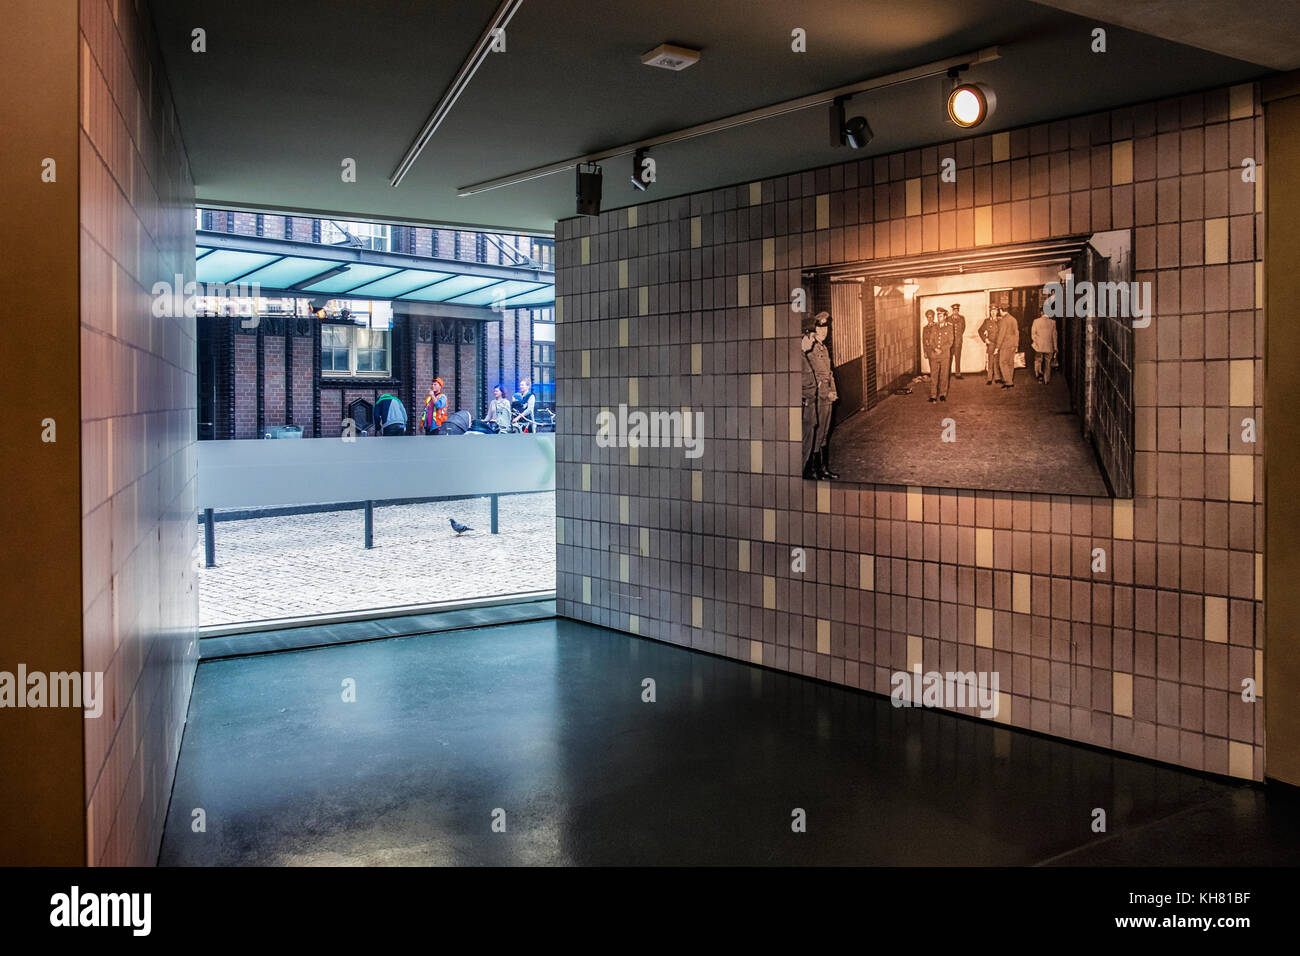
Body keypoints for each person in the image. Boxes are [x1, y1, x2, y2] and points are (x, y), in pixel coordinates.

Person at [801, 311, 838, 479]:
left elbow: (829, 373)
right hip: (820, 397)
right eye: (820, 330)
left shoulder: (823, 348)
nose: (824, 332)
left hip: (828, 395)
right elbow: (816, 376)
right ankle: (814, 469)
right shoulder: (811, 349)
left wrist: (834, 391)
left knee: (824, 432)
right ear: (814, 331)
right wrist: (827, 392)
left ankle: (823, 468)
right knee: (818, 433)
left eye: (826, 329)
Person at [922, 307, 954, 403]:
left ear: (945, 317)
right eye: (938, 316)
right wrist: (935, 348)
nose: (938, 317)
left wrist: (941, 349)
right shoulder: (934, 327)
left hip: (944, 355)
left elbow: (950, 341)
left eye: (940, 316)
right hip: (934, 355)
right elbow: (931, 340)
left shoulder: (949, 327)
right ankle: (933, 395)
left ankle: (942, 394)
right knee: (934, 375)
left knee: (944, 375)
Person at [1030, 311, 1058, 384]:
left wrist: (1036, 342)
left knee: (1038, 360)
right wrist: (1055, 347)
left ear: (1041, 312)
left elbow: (1033, 334)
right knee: (1047, 363)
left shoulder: (1036, 321)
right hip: (1049, 346)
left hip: (1039, 346)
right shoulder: (1053, 322)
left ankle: (1039, 375)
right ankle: (1046, 380)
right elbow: (1054, 336)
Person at [996, 306, 1020, 388]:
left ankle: (1008, 382)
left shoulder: (1004, 320)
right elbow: (1017, 332)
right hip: (1013, 345)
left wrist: (997, 347)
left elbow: (1001, 334)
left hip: (1005, 345)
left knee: (1002, 363)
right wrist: (1016, 344)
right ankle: (1010, 380)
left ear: (1001, 310)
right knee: (1010, 363)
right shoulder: (1013, 319)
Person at [979, 308, 1001, 385]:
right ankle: (989, 378)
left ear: (997, 311)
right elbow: (980, 330)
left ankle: (998, 378)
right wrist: (985, 339)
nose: (993, 313)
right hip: (991, 344)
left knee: (997, 361)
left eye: (995, 311)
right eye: (992, 311)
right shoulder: (987, 321)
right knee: (991, 361)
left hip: (999, 343)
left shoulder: (1000, 320)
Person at [948, 303, 967, 379]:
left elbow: (963, 329)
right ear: (952, 311)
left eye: (957, 310)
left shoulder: (962, 318)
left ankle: (957, 373)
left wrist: (958, 337)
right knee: (949, 358)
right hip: (950, 342)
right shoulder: (948, 319)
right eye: (954, 310)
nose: (955, 312)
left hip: (958, 342)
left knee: (957, 357)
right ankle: (947, 373)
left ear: (958, 311)